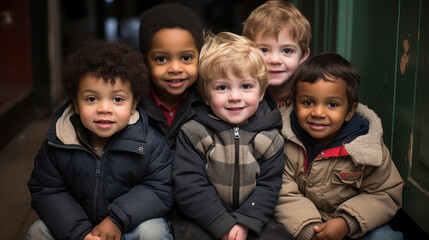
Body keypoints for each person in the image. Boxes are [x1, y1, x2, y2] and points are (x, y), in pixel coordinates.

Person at [26, 39, 173, 240]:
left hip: (128, 225)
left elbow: (160, 188)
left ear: (133, 105)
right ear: (76, 104)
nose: (104, 108)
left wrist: (116, 219)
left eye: (118, 99)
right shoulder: (58, 143)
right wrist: (81, 233)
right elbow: (47, 191)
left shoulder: (150, 143)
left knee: (153, 231)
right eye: (91, 99)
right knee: (38, 231)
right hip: (77, 228)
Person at [172, 32, 293, 240]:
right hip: (203, 218)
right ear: (206, 96)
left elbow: (269, 187)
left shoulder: (271, 138)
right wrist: (222, 224)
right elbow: (189, 185)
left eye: (246, 86)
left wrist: (246, 221)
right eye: (222, 87)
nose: (235, 97)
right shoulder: (194, 133)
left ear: (261, 93)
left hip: (251, 218)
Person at [274, 52, 404, 240]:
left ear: (350, 110)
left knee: (385, 237)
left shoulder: (366, 146)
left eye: (332, 104)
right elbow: (281, 191)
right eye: (308, 102)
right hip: (301, 226)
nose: (318, 112)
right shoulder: (284, 140)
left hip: (353, 226)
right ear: (295, 104)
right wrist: (309, 229)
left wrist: (347, 222)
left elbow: (385, 193)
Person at [138, 3, 205, 150]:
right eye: (161, 59)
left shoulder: (209, 102)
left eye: (186, 58)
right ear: (144, 62)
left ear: (201, 57)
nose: (175, 69)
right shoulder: (134, 104)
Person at [242, 0, 311, 114]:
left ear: (303, 56)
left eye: (287, 50)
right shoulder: (238, 97)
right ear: (246, 51)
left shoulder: (311, 96)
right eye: (264, 50)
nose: (274, 60)